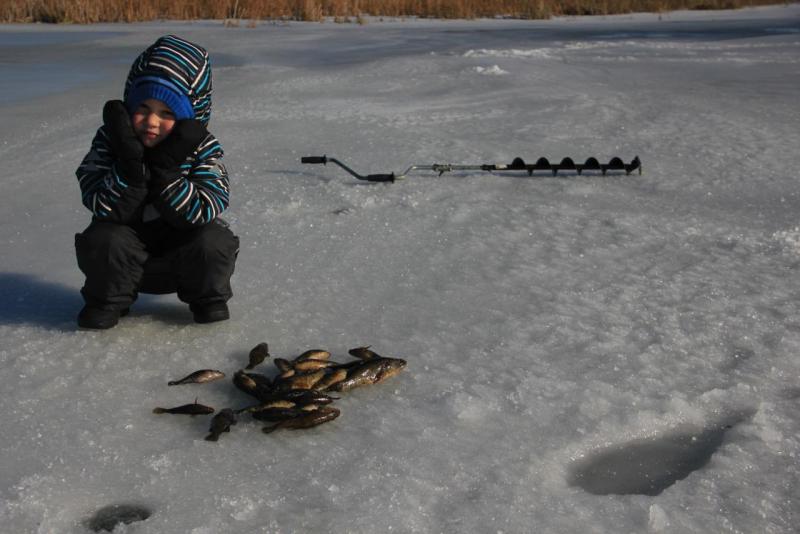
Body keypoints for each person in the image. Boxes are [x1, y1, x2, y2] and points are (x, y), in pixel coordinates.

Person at [75, 35, 239, 329]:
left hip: (182, 257)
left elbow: (207, 206)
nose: (152, 122)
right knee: (103, 238)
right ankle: (106, 303)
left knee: (213, 240)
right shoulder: (110, 141)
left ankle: (208, 300)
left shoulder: (203, 148)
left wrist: (168, 173)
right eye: (143, 109)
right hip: (124, 259)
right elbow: (98, 200)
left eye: (167, 113)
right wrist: (130, 167)